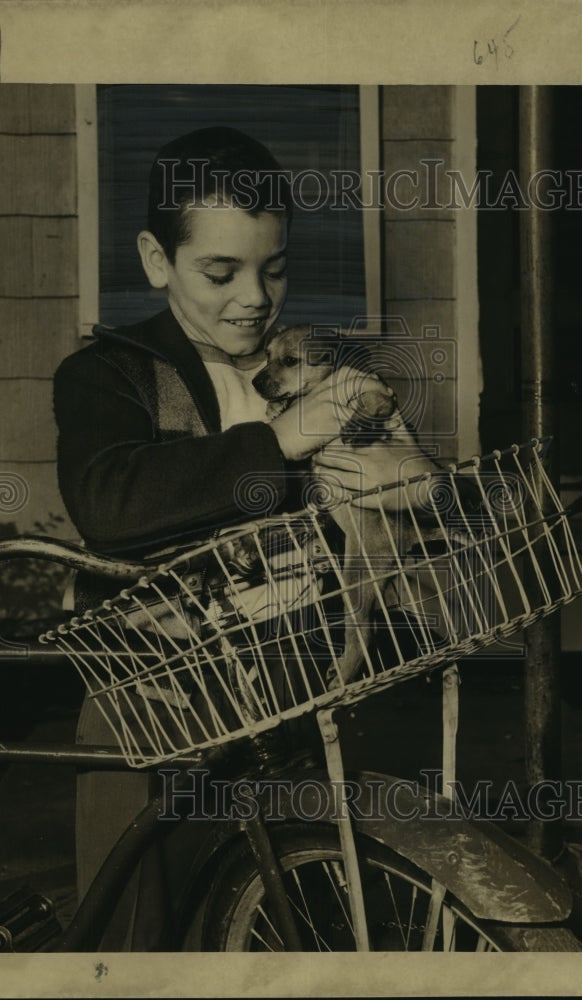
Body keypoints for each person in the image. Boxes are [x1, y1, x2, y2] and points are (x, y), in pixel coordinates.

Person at [52, 126, 414, 950]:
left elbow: (382, 503)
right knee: (147, 930)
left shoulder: (308, 362)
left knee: (309, 913)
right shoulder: (108, 373)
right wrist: (282, 439)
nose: (254, 296)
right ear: (156, 260)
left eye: (274, 267)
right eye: (220, 272)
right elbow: (108, 502)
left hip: (298, 689)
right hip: (159, 708)